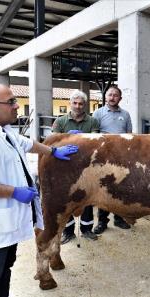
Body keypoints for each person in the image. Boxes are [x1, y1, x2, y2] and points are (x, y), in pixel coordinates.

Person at [0, 82, 78, 297]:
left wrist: (52, 151)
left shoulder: (3, 130)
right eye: (11, 102)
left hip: (6, 222)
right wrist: (14, 192)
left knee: (4, 271)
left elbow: (27, 144)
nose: (17, 106)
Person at [52, 90, 100, 244]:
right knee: (67, 198)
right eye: (75, 103)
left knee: (87, 196)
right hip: (65, 164)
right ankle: (68, 231)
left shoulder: (92, 121)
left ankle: (87, 229)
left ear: (84, 105)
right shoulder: (60, 121)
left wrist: (82, 138)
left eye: (81, 103)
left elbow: (96, 142)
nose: (78, 106)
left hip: (86, 164)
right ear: (70, 103)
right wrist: (67, 137)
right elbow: (53, 141)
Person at [92, 86, 132, 234]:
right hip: (104, 158)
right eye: (110, 95)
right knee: (103, 188)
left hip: (121, 157)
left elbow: (129, 136)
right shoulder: (98, 113)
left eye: (116, 95)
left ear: (120, 98)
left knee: (120, 188)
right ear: (106, 97)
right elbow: (94, 135)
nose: (112, 97)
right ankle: (102, 221)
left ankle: (119, 218)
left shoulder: (126, 114)